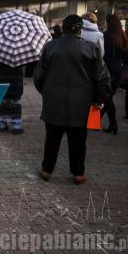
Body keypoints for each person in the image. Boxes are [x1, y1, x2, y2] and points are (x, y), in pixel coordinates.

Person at [34, 14, 111, 184]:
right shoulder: (91, 48)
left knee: (52, 139)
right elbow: (102, 78)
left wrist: (47, 92)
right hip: (81, 103)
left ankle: (47, 169)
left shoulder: (50, 47)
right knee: (78, 141)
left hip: (54, 101)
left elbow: (39, 76)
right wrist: (99, 99)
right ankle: (78, 173)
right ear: (79, 29)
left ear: (64, 29)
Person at [101, 14, 128, 134]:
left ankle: (113, 124)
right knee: (108, 97)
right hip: (117, 69)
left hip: (108, 69)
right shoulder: (122, 36)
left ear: (109, 23)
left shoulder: (107, 35)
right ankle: (102, 122)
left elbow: (105, 54)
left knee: (107, 97)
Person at [0, 59, 25, 134]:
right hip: (15, 82)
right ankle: (16, 125)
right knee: (15, 102)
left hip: (0, 81)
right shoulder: (18, 52)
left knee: (2, 102)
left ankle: (2, 124)